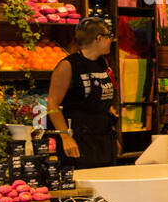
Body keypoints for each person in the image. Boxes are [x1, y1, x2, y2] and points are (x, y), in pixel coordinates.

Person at [47, 17, 118, 170]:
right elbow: (52, 104)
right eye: (109, 37)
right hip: (78, 139)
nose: (111, 41)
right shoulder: (68, 66)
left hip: (103, 138)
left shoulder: (102, 63)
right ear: (99, 38)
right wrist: (65, 136)